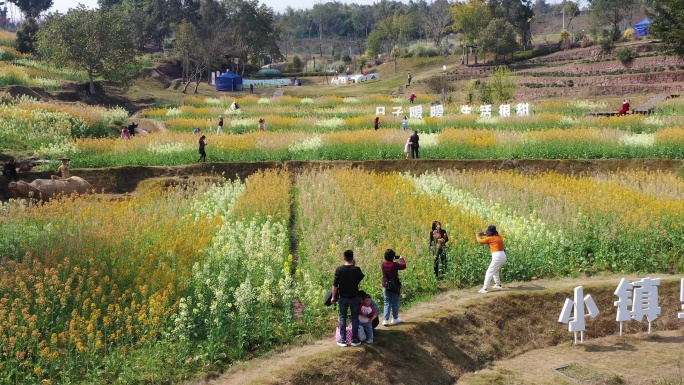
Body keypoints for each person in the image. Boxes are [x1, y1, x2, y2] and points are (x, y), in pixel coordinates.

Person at [331, 249, 365, 347]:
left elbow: (335, 285)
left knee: (343, 318)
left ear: (344, 258)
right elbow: (358, 279)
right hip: (354, 297)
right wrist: (354, 265)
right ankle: (355, 339)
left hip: (343, 297)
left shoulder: (339, 269)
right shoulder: (356, 269)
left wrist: (333, 297)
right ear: (352, 258)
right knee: (355, 318)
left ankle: (343, 340)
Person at [476, 225, 507, 294]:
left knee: (489, 272)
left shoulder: (490, 239)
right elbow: (489, 235)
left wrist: (477, 235)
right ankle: (498, 284)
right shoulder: (498, 237)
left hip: (497, 256)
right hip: (503, 256)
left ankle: (485, 288)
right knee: (495, 270)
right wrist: (484, 233)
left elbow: (480, 241)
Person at [381, 249, 406, 326]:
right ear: (393, 257)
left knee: (387, 302)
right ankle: (395, 318)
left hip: (385, 285)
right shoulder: (394, 265)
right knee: (395, 302)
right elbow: (404, 266)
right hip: (395, 286)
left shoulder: (383, 264)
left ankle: (385, 320)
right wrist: (401, 258)